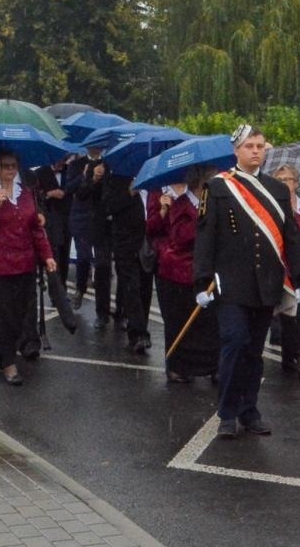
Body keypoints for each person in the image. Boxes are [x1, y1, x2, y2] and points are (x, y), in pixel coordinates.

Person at [191, 127, 300, 439]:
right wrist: (201, 281)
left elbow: (290, 235)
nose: (256, 151)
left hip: (266, 283)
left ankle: (249, 409)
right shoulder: (218, 187)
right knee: (234, 342)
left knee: (254, 351)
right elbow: (206, 236)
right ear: (236, 150)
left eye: (259, 146)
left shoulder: (276, 189)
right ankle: (227, 412)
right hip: (231, 283)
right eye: (249, 146)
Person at [0, 150, 60, 386]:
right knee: (2, 317)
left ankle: (7, 351)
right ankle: (8, 363)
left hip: (23, 263)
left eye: (13, 165)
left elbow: (34, 228)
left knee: (19, 315)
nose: (10, 170)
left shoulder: (26, 193)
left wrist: (47, 255)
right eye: (5, 166)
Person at [149, 165, 219, 384]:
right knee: (178, 320)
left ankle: (212, 366)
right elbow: (180, 236)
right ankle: (177, 366)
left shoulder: (214, 205)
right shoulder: (180, 204)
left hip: (206, 272)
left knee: (209, 322)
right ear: (200, 183)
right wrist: (204, 223)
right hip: (178, 271)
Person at [270, 164, 300, 378]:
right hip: (280, 266)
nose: (284, 184)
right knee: (282, 314)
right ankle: (288, 356)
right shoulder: (272, 206)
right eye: (279, 180)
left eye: (288, 179)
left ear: (296, 183)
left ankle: (299, 357)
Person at [104, 170, 151, 355]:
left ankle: (140, 327)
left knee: (145, 288)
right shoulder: (118, 178)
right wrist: (129, 193)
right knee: (131, 288)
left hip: (148, 242)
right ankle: (138, 335)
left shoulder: (154, 177)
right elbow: (108, 207)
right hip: (125, 242)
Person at [67, 146, 112, 321]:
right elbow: (72, 189)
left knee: (103, 265)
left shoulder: (108, 164)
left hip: (102, 220)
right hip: (81, 218)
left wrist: (101, 178)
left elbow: (109, 193)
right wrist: (88, 177)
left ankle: (103, 312)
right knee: (83, 256)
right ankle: (80, 287)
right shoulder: (76, 164)